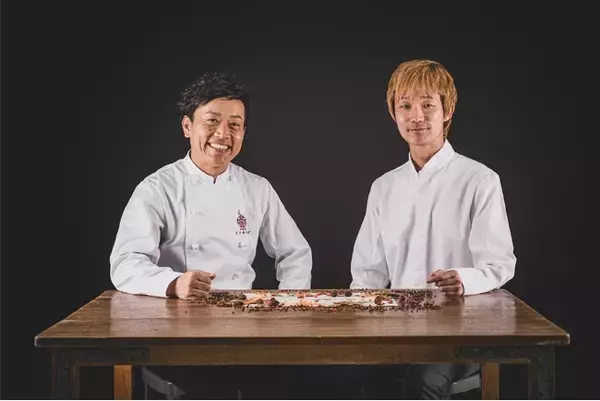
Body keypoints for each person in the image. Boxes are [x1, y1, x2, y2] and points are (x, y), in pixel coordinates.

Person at [109, 72, 312, 399]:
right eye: (212, 121)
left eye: (235, 125)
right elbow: (125, 262)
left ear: (243, 132)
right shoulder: (157, 189)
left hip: (244, 327)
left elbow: (295, 252)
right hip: (175, 332)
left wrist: (287, 306)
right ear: (187, 126)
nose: (223, 134)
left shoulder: (257, 188)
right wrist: (174, 283)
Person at [350, 59, 517, 399]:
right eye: (405, 106)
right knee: (351, 375)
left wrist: (463, 279)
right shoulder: (384, 187)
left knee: (424, 382)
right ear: (393, 113)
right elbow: (367, 273)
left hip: (459, 331)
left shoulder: (479, 180)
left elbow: (499, 264)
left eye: (427, 105)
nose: (416, 117)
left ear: (447, 111)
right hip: (396, 328)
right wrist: (363, 320)